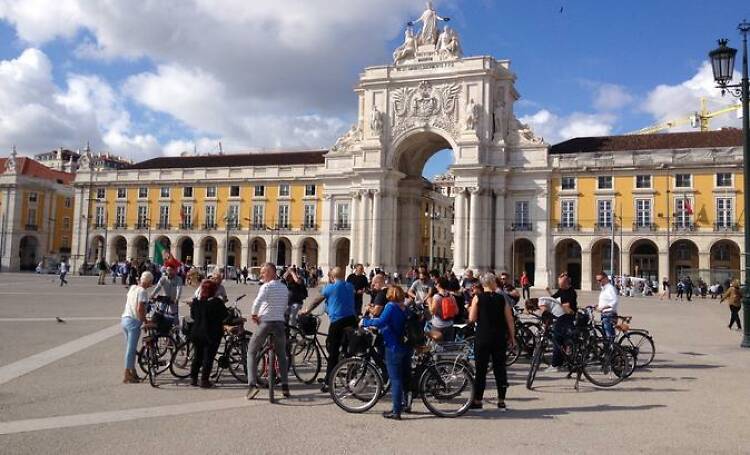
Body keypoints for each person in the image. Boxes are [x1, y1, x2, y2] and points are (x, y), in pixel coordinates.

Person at [299, 266, 356, 392]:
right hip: (352, 320)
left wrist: (306, 310)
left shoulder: (330, 287)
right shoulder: (350, 286)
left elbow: (316, 301)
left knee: (333, 352)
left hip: (338, 321)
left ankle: (329, 382)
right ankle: (348, 374)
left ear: (332, 277)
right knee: (348, 349)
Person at [361, 285, 412, 420]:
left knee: (395, 379)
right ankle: (406, 403)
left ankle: (396, 411)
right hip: (406, 346)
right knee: (405, 376)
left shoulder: (391, 306)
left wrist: (365, 321)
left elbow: (381, 321)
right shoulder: (405, 307)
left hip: (393, 346)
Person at [468, 273, 515, 410]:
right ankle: (501, 400)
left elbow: (472, 318)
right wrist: (512, 337)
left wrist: (472, 309)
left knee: (481, 370)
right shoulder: (502, 299)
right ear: (493, 283)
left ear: (483, 284)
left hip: (483, 336)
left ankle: (477, 400)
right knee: (500, 369)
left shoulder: (478, 297)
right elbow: (510, 319)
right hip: (499, 337)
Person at [247, 262, 291, 399]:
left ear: (272, 272)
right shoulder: (284, 287)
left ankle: (252, 386)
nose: (261, 275)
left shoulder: (266, 287)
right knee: (282, 355)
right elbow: (285, 306)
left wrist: (254, 315)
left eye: (263, 272)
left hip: (265, 322)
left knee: (251, 351)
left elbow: (257, 302)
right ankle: (285, 386)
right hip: (279, 323)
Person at [189, 279, 228, 388]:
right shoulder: (216, 302)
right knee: (208, 357)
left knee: (197, 356)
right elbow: (225, 316)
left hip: (196, 332)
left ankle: (193, 378)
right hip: (211, 334)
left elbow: (192, 316)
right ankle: (204, 380)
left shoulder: (196, 302)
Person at [121, 271, 153, 383]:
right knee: (131, 349)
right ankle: (126, 374)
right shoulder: (143, 291)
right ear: (148, 282)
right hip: (134, 322)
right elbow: (140, 308)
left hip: (124, 319)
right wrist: (145, 321)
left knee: (131, 348)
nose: (151, 285)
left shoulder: (133, 287)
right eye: (151, 283)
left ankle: (132, 371)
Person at [544, 273, 578, 372]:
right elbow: (554, 298)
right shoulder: (562, 290)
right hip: (562, 316)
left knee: (557, 339)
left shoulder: (571, 292)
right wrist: (548, 292)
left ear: (566, 283)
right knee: (561, 341)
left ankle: (555, 364)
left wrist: (559, 305)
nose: (559, 284)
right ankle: (561, 362)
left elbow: (566, 306)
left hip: (566, 318)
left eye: (560, 282)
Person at [427, 277, 457, 341]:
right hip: (449, 325)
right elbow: (456, 311)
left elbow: (432, 312)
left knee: (437, 347)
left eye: (435, 284)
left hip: (438, 325)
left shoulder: (437, 297)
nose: (435, 285)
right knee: (448, 346)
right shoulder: (451, 296)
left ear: (439, 285)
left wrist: (429, 302)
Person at [595, 272, 620, 343]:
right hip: (605, 315)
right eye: (597, 280)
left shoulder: (610, 288)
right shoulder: (604, 289)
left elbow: (614, 301)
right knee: (606, 336)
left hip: (609, 315)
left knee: (609, 336)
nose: (598, 282)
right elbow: (606, 301)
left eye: (600, 280)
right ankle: (610, 351)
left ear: (605, 278)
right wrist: (597, 306)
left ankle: (611, 351)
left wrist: (603, 308)